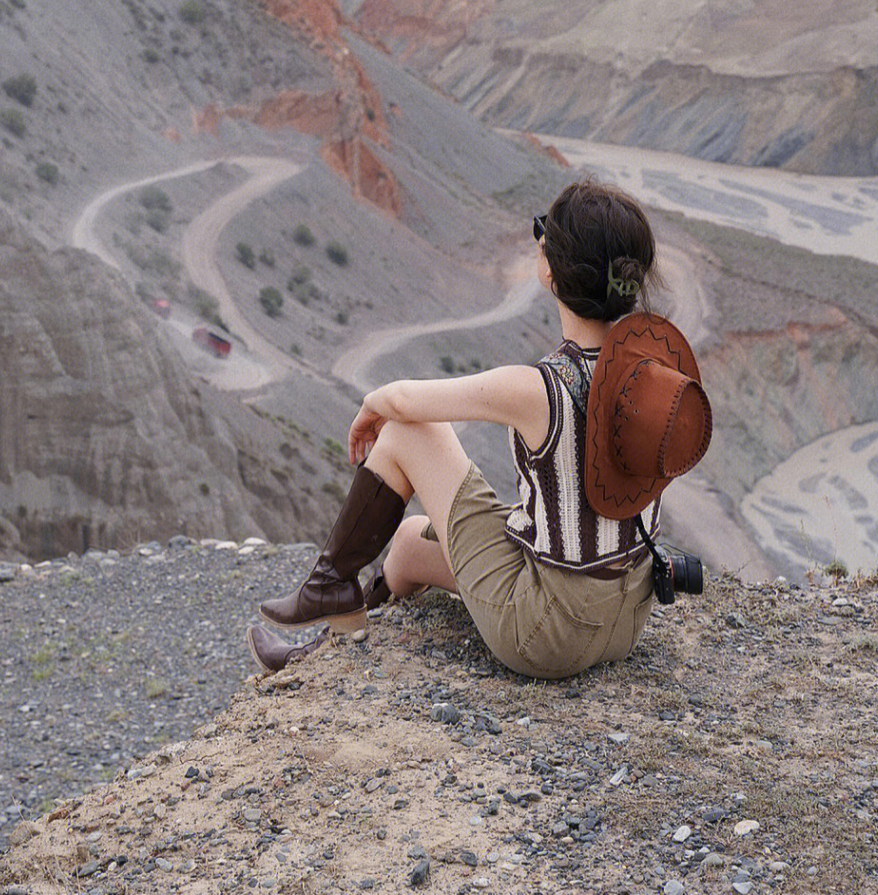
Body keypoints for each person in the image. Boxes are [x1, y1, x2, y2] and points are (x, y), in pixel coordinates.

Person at [248, 178, 710, 680]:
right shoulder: (653, 373)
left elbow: (408, 403)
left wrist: (372, 402)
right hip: (624, 620)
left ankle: (329, 582)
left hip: (546, 632)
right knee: (405, 546)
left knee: (407, 432)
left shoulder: (540, 389)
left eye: (545, 233)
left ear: (552, 271)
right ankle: (332, 640)